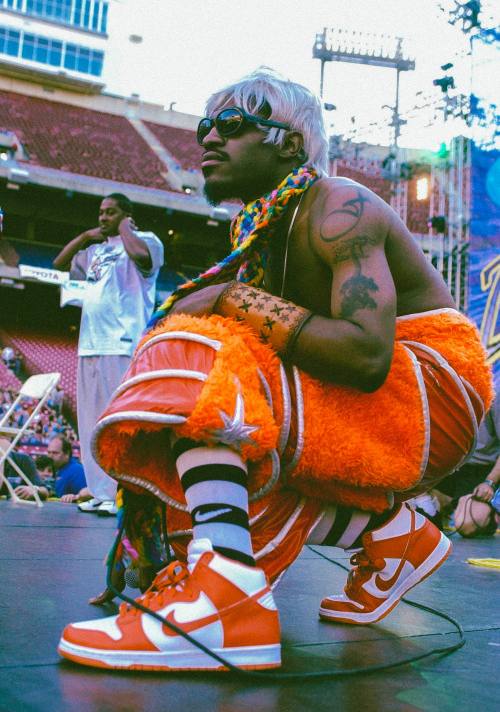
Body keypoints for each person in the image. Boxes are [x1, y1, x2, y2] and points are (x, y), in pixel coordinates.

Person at [59, 69, 492, 672]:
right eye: (207, 127)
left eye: (232, 126)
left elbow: (367, 356)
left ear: (290, 142)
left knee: (199, 348)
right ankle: (392, 534)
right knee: (236, 452)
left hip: (433, 389)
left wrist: (231, 299)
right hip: (385, 396)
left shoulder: (340, 203)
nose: (209, 139)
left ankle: (226, 603)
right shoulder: (261, 225)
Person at [53, 194, 164, 515]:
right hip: (90, 343)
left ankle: (122, 493)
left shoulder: (147, 241)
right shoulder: (96, 250)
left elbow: (142, 258)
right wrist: (86, 237)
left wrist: (126, 229)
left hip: (123, 343)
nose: (103, 217)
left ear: (127, 215)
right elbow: (61, 265)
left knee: (118, 422)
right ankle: (102, 493)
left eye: (111, 212)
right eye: (101, 212)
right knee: (91, 423)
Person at [434, 388, 500, 537]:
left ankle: (493, 511)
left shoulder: (494, 394)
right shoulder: (443, 387)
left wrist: (489, 482)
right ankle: (444, 510)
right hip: (454, 465)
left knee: (467, 525)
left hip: (483, 470)